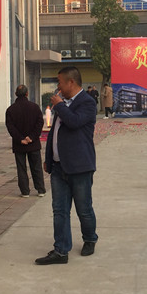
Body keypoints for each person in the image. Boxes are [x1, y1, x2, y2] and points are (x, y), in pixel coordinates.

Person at [35, 66, 98, 265]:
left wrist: (60, 106)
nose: (58, 87)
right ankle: (61, 251)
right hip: (58, 167)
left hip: (80, 167)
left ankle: (90, 239)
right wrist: (48, 158)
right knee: (60, 210)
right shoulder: (62, 103)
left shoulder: (87, 102)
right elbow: (54, 133)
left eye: (60, 82)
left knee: (83, 209)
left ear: (71, 82)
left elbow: (74, 122)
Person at [5, 84, 46, 198]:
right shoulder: (35, 107)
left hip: (19, 144)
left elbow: (10, 127)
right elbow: (40, 123)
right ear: (27, 93)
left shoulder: (11, 109)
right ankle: (40, 189)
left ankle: (25, 191)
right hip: (33, 143)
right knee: (36, 167)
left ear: (15, 94)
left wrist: (20, 138)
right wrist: (32, 137)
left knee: (21, 168)